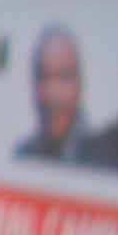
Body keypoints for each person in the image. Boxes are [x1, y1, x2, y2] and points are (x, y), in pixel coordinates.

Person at [14, 21, 85, 163]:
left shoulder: (104, 156)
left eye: (64, 77)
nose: (53, 93)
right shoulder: (25, 155)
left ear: (79, 84)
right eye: (44, 77)